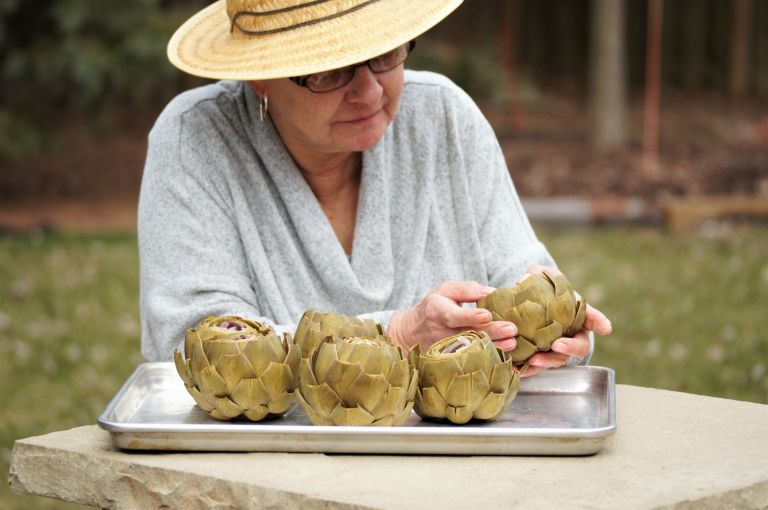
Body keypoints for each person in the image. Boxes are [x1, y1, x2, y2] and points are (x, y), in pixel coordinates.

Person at [139, 0, 612, 375]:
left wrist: (555, 333)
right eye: (330, 68)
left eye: (384, 54)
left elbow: (522, 276)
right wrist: (397, 335)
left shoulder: (445, 117)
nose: (368, 91)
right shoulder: (194, 139)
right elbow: (195, 344)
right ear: (259, 78)